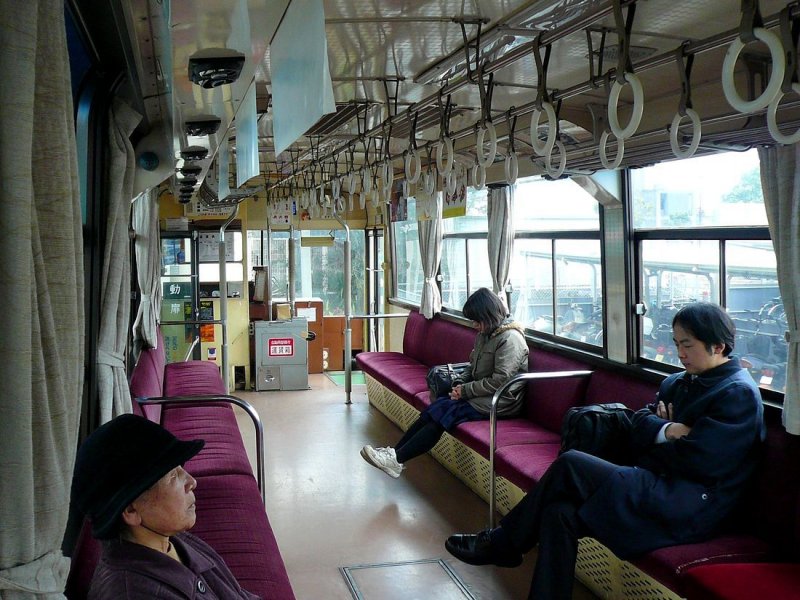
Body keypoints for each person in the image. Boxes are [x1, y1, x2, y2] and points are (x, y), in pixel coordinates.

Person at [445, 302, 765, 600]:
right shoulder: (678, 382)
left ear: (718, 346)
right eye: (677, 343)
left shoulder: (736, 394)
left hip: (691, 502)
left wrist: (655, 438)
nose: (680, 353)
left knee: (571, 463)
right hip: (654, 481)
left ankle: (503, 543)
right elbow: (637, 424)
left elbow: (702, 464)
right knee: (559, 512)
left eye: (688, 345)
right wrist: (668, 432)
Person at [70, 414, 261, 599]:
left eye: (181, 469)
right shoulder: (133, 592)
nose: (192, 482)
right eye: (172, 476)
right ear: (131, 510)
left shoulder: (173, 540)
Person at [361, 287, 528, 478]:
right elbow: (472, 366)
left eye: (477, 320)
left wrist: (464, 391)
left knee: (446, 411)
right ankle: (394, 455)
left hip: (501, 401)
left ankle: (397, 459)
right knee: (438, 406)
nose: (475, 325)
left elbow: (501, 381)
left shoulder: (510, 339)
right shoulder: (486, 334)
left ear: (488, 316)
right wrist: (459, 383)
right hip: (482, 395)